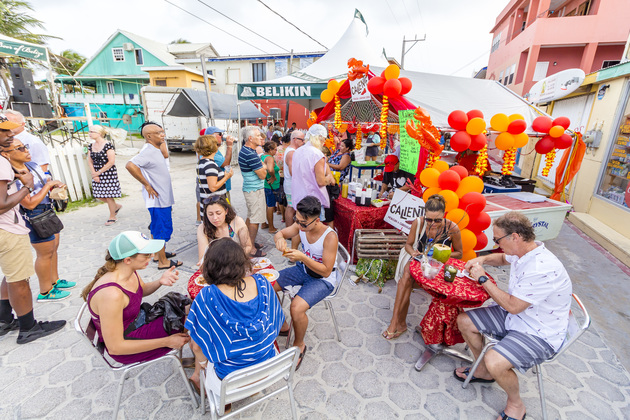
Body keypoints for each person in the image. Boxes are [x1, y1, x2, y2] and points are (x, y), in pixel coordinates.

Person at [454, 212, 572, 420]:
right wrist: (482, 258)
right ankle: (483, 371)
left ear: (515, 237)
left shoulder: (541, 267)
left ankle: (516, 405)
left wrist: (482, 277)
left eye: (497, 239)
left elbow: (513, 305)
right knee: (464, 321)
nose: (496, 244)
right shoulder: (525, 251)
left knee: (495, 361)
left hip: (540, 332)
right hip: (518, 317)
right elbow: (501, 258)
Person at [186, 238, 285, 395]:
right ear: (243, 263)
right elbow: (277, 321)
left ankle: (211, 390)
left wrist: (204, 364)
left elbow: (197, 346)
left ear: (210, 266)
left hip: (230, 379)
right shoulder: (262, 282)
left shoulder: (206, 296)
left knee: (204, 357)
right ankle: (250, 390)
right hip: (269, 366)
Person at [0, 114, 66, 344]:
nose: (11, 134)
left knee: (10, 274)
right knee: (19, 278)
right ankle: (28, 327)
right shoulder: (2, 163)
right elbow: (3, 205)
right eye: (6, 132)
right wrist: (28, 186)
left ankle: (4, 318)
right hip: (8, 227)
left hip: (10, 226)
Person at [81, 231, 191, 365]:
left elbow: (141, 290)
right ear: (127, 260)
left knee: (189, 304)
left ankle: (200, 360)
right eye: (146, 254)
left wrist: (160, 281)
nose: (151, 256)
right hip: (128, 344)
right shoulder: (111, 294)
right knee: (193, 318)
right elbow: (115, 348)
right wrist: (167, 341)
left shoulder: (127, 270)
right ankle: (200, 368)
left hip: (139, 321)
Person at [1, 139, 76, 302]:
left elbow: (44, 183)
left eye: (25, 146)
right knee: (44, 253)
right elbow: (29, 203)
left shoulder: (32, 165)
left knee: (53, 247)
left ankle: (54, 280)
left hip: (47, 210)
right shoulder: (14, 174)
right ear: (6, 154)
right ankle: (45, 290)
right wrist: (48, 187)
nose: (26, 150)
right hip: (34, 215)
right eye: (20, 148)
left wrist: (54, 186)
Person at [383, 194, 463, 340]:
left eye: (437, 220)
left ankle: (399, 324)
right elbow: (408, 244)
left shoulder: (452, 228)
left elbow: (459, 253)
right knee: (406, 278)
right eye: (429, 219)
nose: (433, 223)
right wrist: (414, 253)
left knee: (406, 281)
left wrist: (443, 255)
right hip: (419, 261)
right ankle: (396, 322)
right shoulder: (418, 223)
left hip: (438, 267)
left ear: (444, 215)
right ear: (424, 215)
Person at [272, 196, 339, 370]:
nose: (299, 226)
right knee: (267, 286)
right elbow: (281, 233)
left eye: (303, 223)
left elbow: (325, 270)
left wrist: (302, 256)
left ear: (316, 220)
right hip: (304, 269)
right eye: (298, 221)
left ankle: (299, 344)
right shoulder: (301, 223)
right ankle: (283, 325)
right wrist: (279, 239)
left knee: (296, 307)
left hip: (323, 279)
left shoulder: (330, 236)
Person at [125, 122, 182, 269]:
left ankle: (159, 254)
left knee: (161, 228)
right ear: (149, 136)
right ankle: (163, 262)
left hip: (163, 198)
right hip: (157, 200)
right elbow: (130, 165)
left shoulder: (155, 148)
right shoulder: (148, 150)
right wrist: (146, 184)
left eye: (163, 132)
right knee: (160, 230)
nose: (162, 135)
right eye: (158, 133)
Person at [291, 124, 335, 222]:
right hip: (313, 201)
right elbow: (321, 182)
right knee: (313, 231)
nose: (324, 142)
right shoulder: (317, 154)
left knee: (300, 228)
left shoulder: (298, 151)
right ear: (319, 138)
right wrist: (329, 177)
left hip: (299, 197)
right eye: (324, 139)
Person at [195, 196, 252, 267]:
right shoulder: (203, 228)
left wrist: (234, 258)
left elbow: (247, 246)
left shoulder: (237, 222)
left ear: (226, 211)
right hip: (216, 265)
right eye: (210, 214)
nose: (215, 218)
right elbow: (203, 255)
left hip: (238, 263)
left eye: (218, 213)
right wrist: (202, 261)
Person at [237, 125, 267, 258]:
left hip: (250, 189)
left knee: (250, 217)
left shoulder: (247, 151)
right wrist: (264, 166)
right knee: (255, 219)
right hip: (254, 190)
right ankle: (251, 249)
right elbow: (263, 175)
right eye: (258, 135)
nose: (261, 138)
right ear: (250, 138)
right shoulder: (250, 154)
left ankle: (247, 242)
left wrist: (262, 166)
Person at [87, 125, 122, 226]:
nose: (90, 134)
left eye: (92, 132)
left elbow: (111, 162)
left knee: (109, 196)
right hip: (97, 173)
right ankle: (116, 206)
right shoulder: (91, 146)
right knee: (98, 195)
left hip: (108, 173)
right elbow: (90, 161)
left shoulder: (108, 145)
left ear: (99, 133)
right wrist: (94, 174)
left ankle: (112, 216)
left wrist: (99, 172)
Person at [194, 134, 232, 211]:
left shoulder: (201, 162)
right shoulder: (210, 165)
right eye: (216, 144)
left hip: (208, 205)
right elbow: (213, 187)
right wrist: (226, 177)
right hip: (215, 207)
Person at [200, 126, 234, 202]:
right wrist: (229, 146)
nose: (222, 136)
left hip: (220, 191)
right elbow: (213, 187)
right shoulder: (209, 159)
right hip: (217, 195)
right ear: (212, 137)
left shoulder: (209, 156)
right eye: (220, 134)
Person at [283, 130, 305, 237]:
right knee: (291, 208)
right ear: (295, 139)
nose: (304, 142)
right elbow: (293, 172)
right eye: (302, 139)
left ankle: (289, 231)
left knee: (291, 207)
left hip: (291, 184)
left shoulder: (290, 150)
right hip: (292, 184)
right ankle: (289, 233)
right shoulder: (292, 152)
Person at [261, 142, 281, 234]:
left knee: (268, 204)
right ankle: (271, 227)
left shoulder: (263, 156)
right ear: (270, 150)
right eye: (275, 149)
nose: (276, 151)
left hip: (267, 184)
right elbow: (270, 169)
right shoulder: (269, 158)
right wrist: (273, 176)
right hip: (272, 185)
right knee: (271, 205)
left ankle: (264, 223)